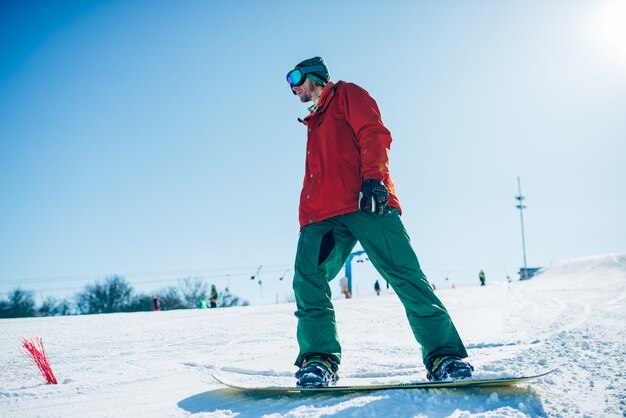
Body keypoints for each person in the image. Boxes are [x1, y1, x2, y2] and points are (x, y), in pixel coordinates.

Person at [286, 56, 473, 387]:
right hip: (323, 214)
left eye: (297, 77)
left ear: (315, 76)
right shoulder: (314, 119)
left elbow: (373, 132)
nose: (294, 86)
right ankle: (319, 359)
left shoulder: (346, 94)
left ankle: (444, 355)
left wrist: (374, 179)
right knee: (307, 278)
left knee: (405, 275)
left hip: (365, 202)